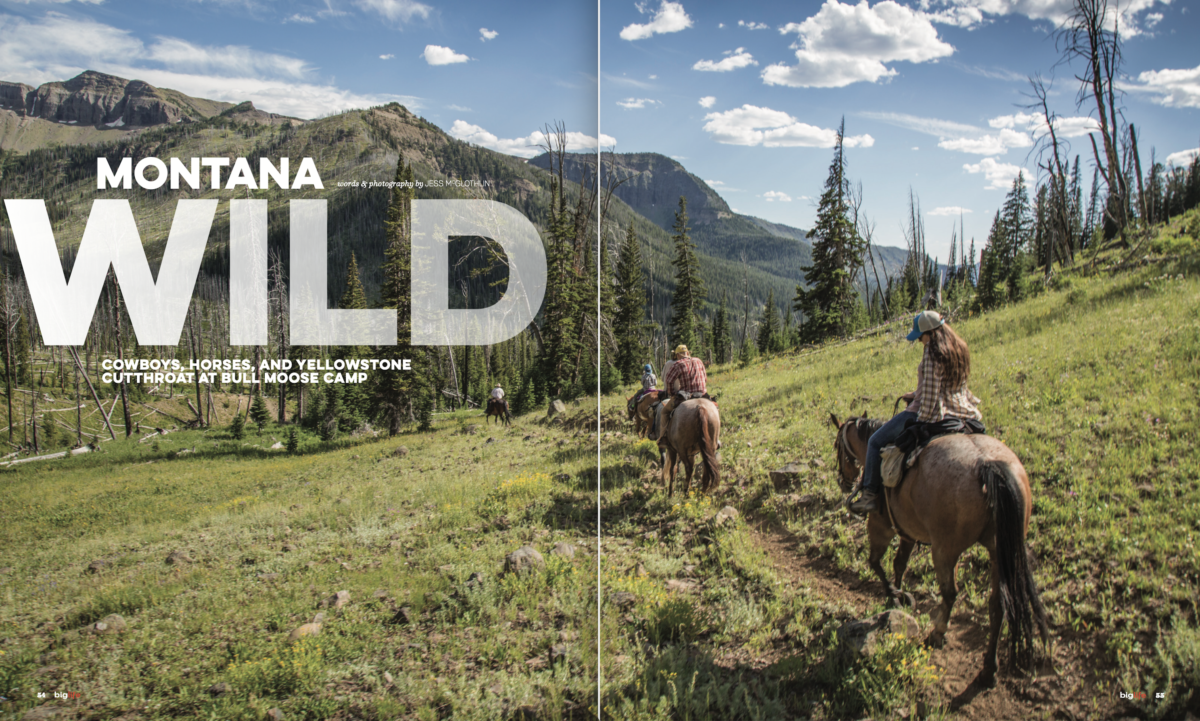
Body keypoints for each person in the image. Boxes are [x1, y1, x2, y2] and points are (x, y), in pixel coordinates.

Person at [848, 311, 981, 514]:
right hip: (962, 411)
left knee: (875, 441)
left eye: (920, 336)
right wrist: (915, 392)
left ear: (930, 333)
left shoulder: (932, 352)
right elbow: (948, 386)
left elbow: (929, 403)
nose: (919, 340)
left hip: (933, 413)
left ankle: (868, 495)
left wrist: (919, 421)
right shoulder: (959, 348)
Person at [649, 345, 707, 440]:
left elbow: (668, 380)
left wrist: (672, 393)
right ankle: (716, 439)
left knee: (664, 412)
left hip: (687, 396)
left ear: (678, 355)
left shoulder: (678, 364)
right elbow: (705, 378)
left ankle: (663, 438)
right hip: (702, 395)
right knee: (715, 408)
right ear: (687, 353)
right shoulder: (699, 361)